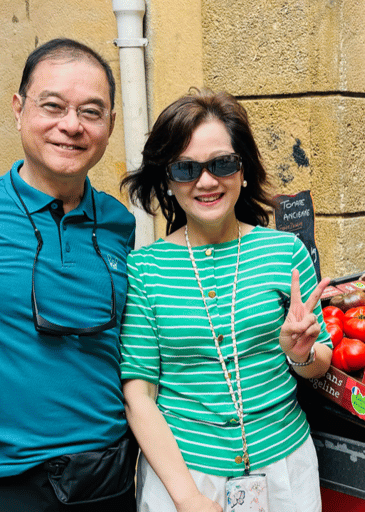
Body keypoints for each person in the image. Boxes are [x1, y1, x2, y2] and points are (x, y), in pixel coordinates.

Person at [120, 89, 332, 512]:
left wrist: (300, 355)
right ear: (167, 179)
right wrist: (188, 498)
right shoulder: (145, 268)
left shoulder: (285, 253)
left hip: (285, 470)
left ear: (243, 170)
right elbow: (139, 393)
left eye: (222, 164)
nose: (207, 181)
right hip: (183, 474)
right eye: (186, 168)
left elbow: (320, 361)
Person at [0, 39, 137, 511]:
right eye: (52, 106)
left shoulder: (120, 223)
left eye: (91, 112)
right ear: (18, 109)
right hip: (14, 482)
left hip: (110, 477)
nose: (71, 126)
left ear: (110, 125)